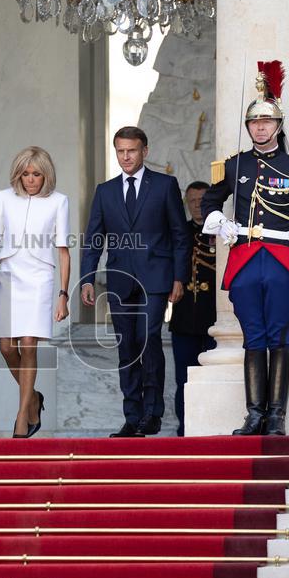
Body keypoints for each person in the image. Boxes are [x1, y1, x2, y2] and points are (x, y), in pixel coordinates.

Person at [201, 60, 289, 436]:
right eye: (254, 122)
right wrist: (219, 221)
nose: (260, 127)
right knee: (253, 337)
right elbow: (210, 200)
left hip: (282, 260)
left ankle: (277, 417)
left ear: (278, 126)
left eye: (267, 122)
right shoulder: (234, 165)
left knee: (278, 337)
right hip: (244, 259)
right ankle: (254, 414)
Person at [80, 126, 189, 438]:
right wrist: (87, 279)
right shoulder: (105, 191)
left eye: (131, 150)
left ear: (145, 151)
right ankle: (132, 416)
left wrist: (180, 276)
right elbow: (94, 239)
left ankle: (152, 413)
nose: (126, 157)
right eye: (121, 151)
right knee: (126, 346)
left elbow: (180, 235)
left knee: (148, 338)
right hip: (120, 280)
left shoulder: (165, 185)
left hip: (156, 278)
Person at [0, 146, 71, 438]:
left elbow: (63, 252)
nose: (30, 179)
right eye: (26, 173)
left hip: (40, 278)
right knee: (6, 348)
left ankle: (21, 417)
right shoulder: (4, 198)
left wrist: (63, 295)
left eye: (36, 174)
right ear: (18, 174)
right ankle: (34, 399)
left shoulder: (59, 202)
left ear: (46, 175)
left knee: (28, 343)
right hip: (10, 276)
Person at [168, 181, 217, 436]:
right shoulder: (179, 233)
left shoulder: (222, 233)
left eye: (202, 201)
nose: (197, 206)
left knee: (214, 380)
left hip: (215, 320)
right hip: (185, 318)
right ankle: (185, 430)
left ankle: (212, 429)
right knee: (184, 380)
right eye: (193, 201)